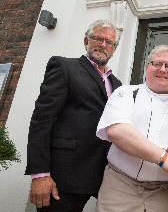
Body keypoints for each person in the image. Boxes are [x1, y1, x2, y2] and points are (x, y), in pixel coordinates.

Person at [25, 20, 122, 211]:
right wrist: (40, 174)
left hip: (100, 178)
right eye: (97, 38)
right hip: (62, 179)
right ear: (86, 41)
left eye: (109, 42)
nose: (103, 44)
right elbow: (41, 121)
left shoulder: (117, 84)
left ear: (113, 50)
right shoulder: (64, 67)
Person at [95, 45, 168, 212]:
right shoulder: (126, 93)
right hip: (121, 187)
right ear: (147, 67)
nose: (163, 69)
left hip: (167, 192)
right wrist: (164, 158)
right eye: (157, 64)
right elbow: (118, 132)